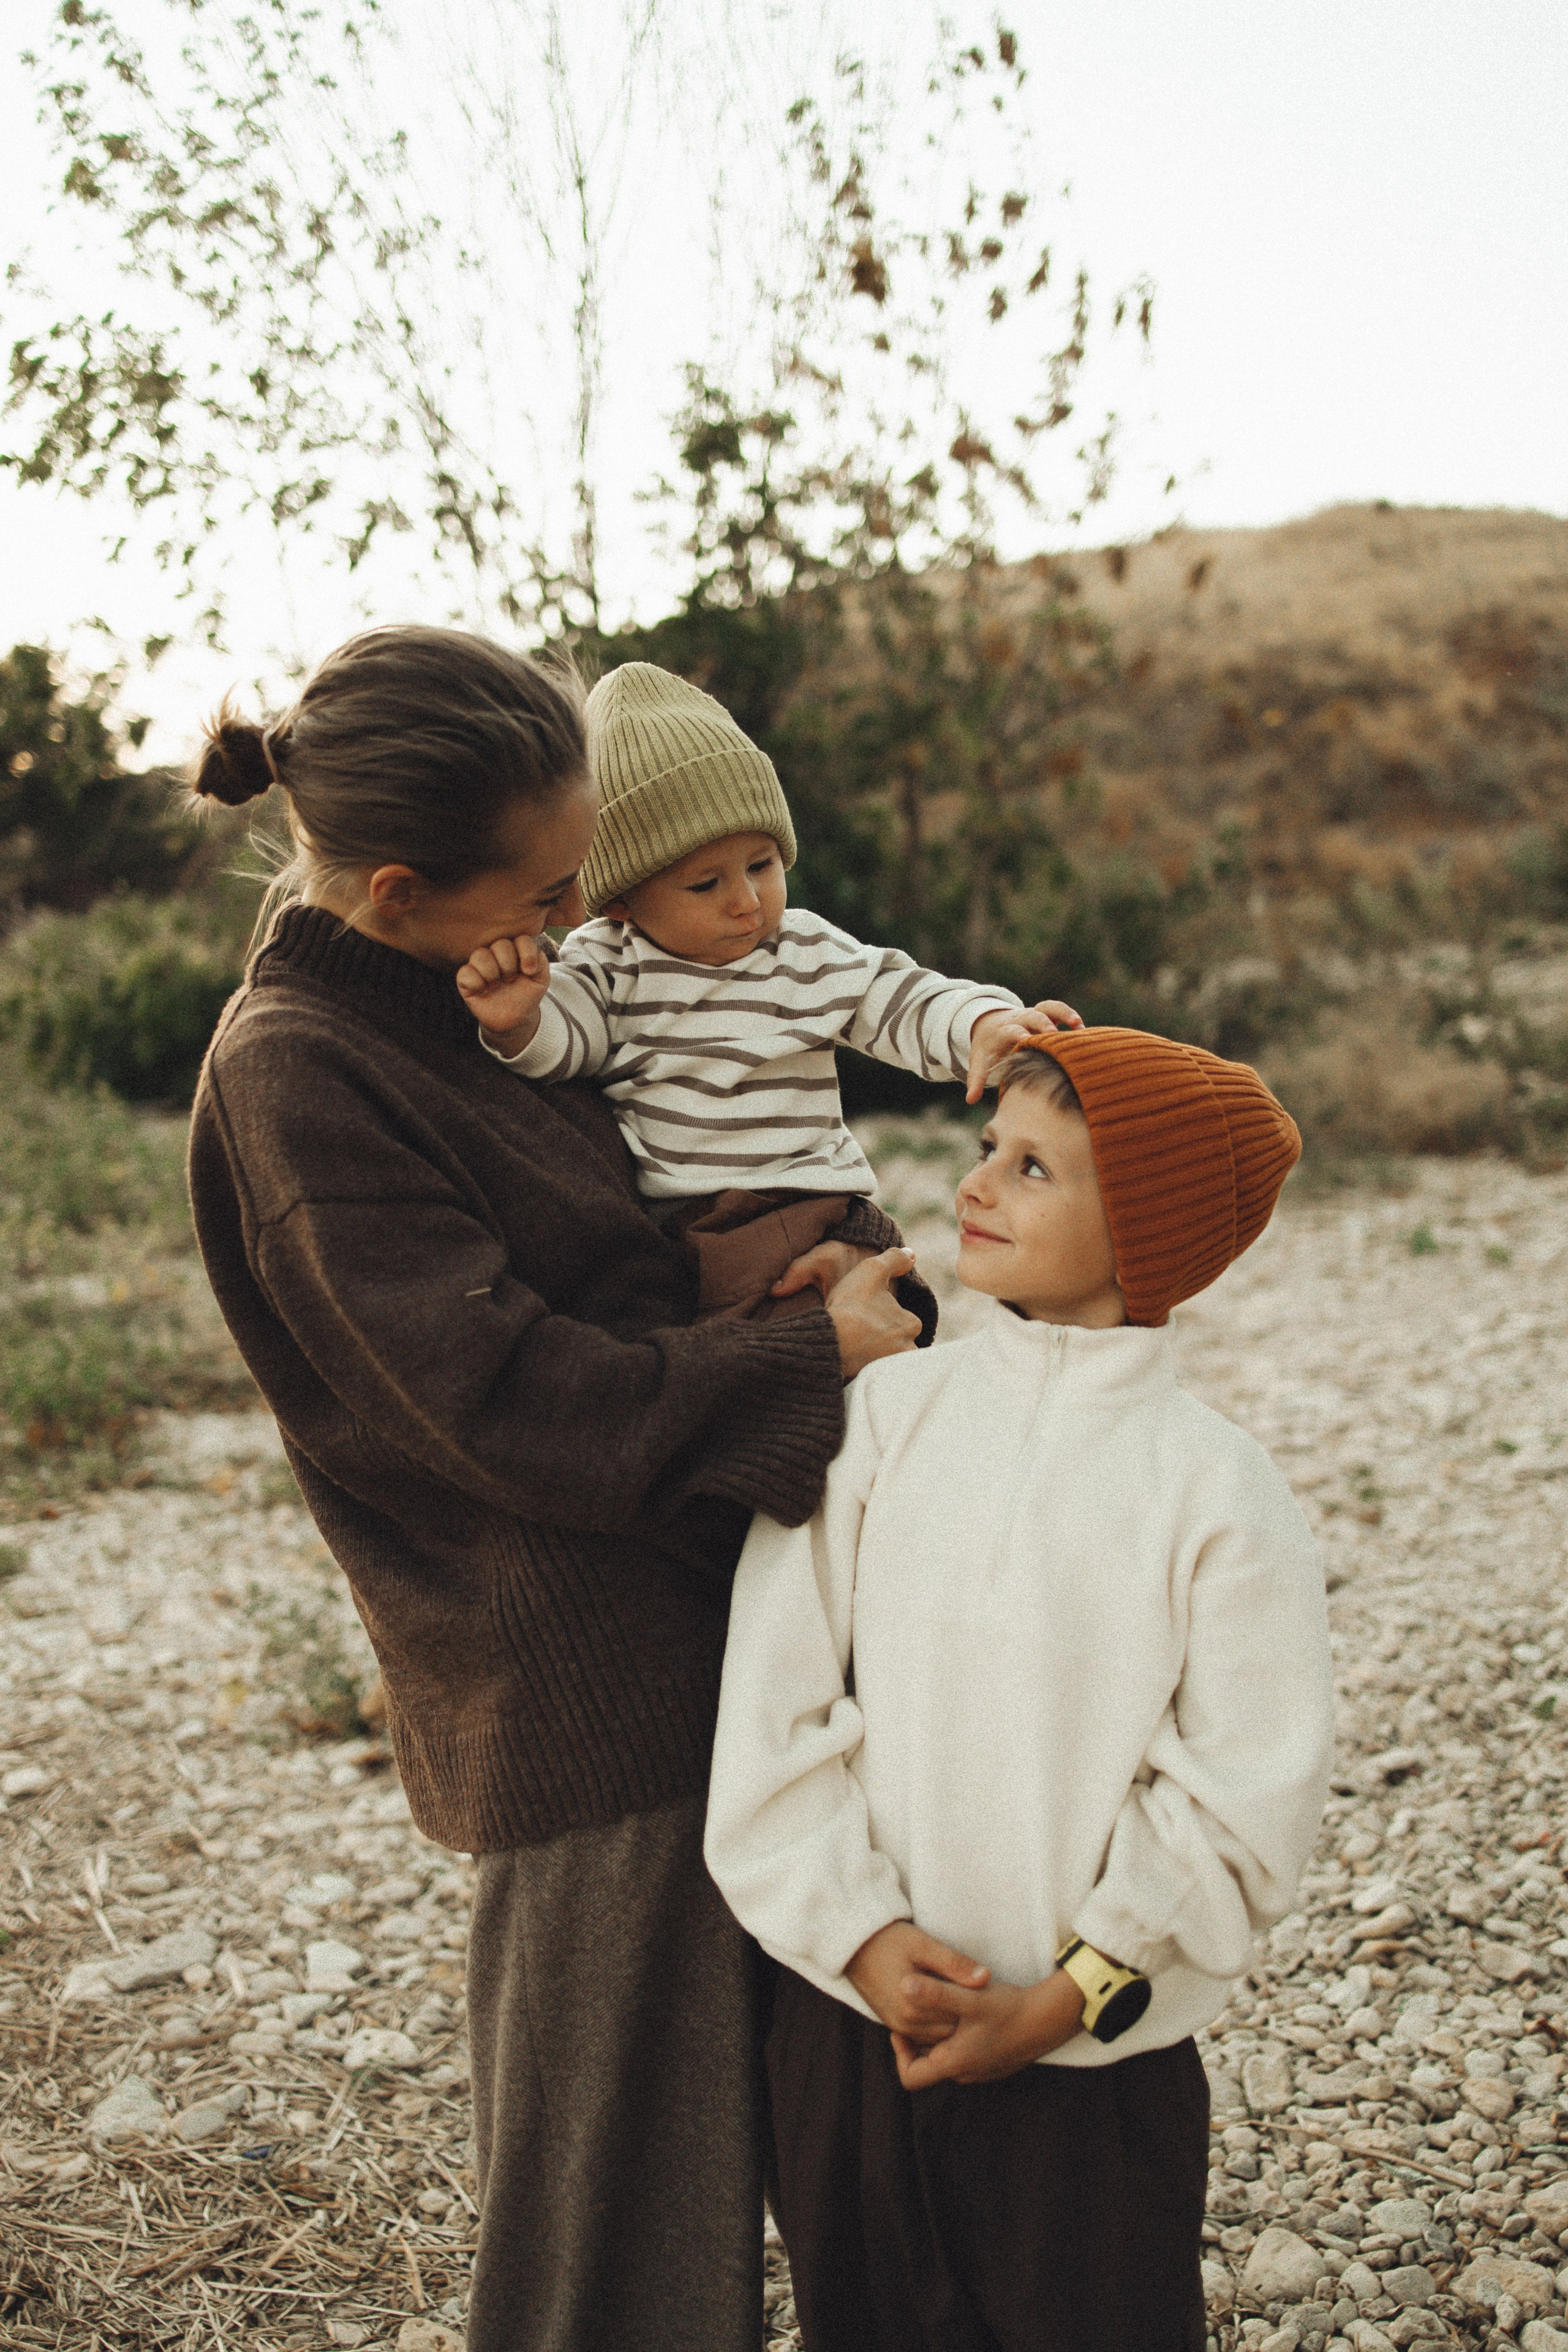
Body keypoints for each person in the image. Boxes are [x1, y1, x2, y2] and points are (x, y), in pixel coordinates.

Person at [183, 624, 928, 2352]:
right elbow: (501, 1398)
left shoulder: (504, 994)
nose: (589, 913)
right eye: (547, 885)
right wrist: (811, 1362)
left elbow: (678, 1204)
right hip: (594, 1700)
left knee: (860, 2168)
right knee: (619, 2262)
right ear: (394, 885)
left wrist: (821, 1257)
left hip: (750, 1618)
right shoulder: (298, 1072)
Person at [703, 1025, 1336, 2352]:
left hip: (1090, 2073)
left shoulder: (1214, 1490)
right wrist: (858, 1937)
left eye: (1035, 1168)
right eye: (988, 1148)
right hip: (852, 2031)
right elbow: (773, 1707)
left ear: (1149, 1229)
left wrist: (1068, 1995)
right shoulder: (882, 1420)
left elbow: (1237, 1796)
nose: (976, 1183)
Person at [454, 661, 1080, 1324]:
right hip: (673, 1218)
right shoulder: (608, 963)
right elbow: (567, 1043)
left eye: (762, 865)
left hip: (795, 1202)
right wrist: (519, 1021)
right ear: (623, 902)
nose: (747, 901)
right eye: (706, 884)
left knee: (781, 1342)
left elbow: (896, 996)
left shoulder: (802, 951)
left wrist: (979, 1024)